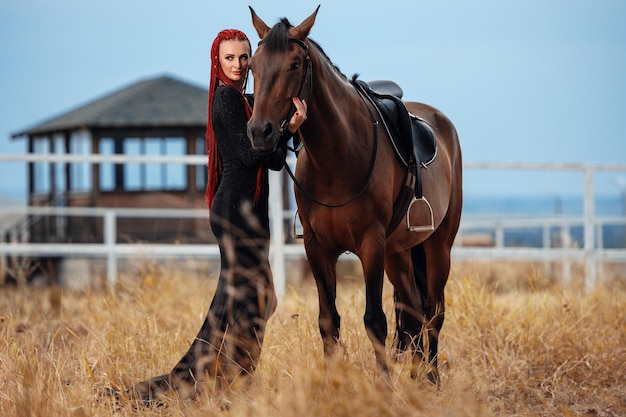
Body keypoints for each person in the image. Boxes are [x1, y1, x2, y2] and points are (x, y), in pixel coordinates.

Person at [127, 28, 307, 404]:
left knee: (247, 300)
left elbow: (272, 162)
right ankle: (232, 384)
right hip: (234, 210)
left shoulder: (246, 102)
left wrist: (290, 132)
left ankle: (215, 381)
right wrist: (285, 130)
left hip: (252, 211)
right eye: (230, 58)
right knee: (254, 299)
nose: (239, 65)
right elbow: (247, 156)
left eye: (244, 58)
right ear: (217, 61)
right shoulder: (226, 99)